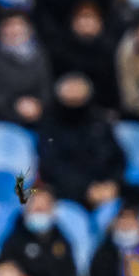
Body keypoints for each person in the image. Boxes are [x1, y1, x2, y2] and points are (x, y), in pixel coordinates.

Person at [37, 73, 124, 208]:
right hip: (68, 194)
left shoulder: (99, 122)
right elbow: (51, 166)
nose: (75, 104)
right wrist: (86, 189)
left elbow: (118, 157)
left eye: (79, 99)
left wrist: (112, 183)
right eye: (71, 100)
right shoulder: (50, 125)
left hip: (106, 190)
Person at [0, 185, 80, 276]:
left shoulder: (63, 241)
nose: (39, 211)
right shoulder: (13, 242)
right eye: (36, 207)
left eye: (44, 208)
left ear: (52, 210)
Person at [0, 11, 50, 127]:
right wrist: (15, 104)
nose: (14, 30)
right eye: (8, 25)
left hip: (36, 118)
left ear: (30, 29)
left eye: (19, 25)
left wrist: (37, 105)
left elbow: (46, 88)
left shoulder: (40, 56)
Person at [49, 0, 118, 112]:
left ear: (100, 23)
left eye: (91, 18)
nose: (86, 23)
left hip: (100, 109)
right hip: (63, 109)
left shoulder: (109, 50)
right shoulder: (60, 49)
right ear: (73, 22)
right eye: (82, 18)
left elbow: (111, 88)